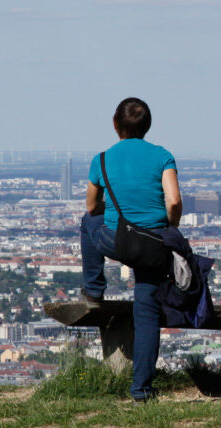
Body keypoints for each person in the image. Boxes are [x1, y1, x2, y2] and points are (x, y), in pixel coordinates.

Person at [80, 97, 182, 403]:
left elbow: (90, 206)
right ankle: (141, 391)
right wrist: (170, 230)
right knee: (147, 314)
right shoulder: (163, 156)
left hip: (116, 241)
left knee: (88, 221)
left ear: (115, 125)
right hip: (153, 243)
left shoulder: (102, 159)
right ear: (148, 125)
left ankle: (94, 289)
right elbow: (174, 201)